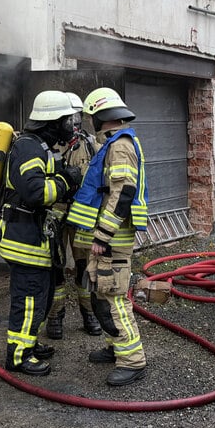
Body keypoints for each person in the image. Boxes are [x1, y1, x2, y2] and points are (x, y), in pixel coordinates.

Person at [67, 87, 149, 386]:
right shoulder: (114, 143)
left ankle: (133, 360)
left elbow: (122, 193)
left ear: (100, 116)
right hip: (106, 235)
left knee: (115, 297)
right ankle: (116, 347)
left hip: (113, 237)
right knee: (101, 292)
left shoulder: (120, 146)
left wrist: (102, 235)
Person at [0, 90, 82, 376]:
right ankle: (18, 357)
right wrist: (65, 180)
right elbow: (35, 192)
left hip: (37, 240)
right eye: (67, 120)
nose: (71, 125)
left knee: (42, 298)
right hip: (25, 241)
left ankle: (29, 344)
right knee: (30, 299)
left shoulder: (41, 146)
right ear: (51, 121)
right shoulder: (29, 147)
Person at [45, 92, 103, 339]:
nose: (74, 123)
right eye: (69, 118)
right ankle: (55, 316)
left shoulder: (91, 144)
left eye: (78, 117)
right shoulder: (48, 145)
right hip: (55, 216)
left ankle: (88, 314)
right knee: (55, 267)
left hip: (82, 218)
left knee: (84, 267)